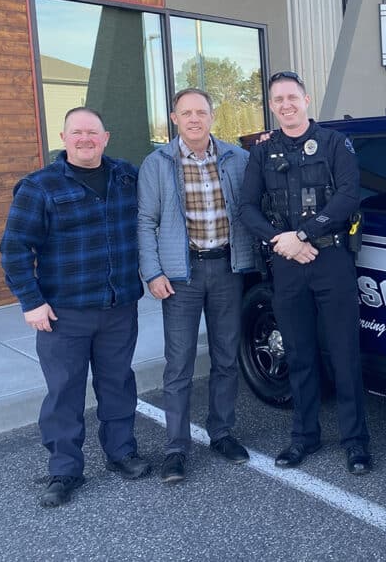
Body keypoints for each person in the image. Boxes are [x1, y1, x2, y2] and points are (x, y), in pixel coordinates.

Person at [0, 107, 150, 508]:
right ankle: (65, 469)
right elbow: (14, 249)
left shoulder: (126, 177)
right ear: (63, 138)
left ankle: (122, 452)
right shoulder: (38, 187)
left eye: (93, 133)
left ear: (106, 137)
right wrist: (31, 302)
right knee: (65, 391)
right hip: (64, 314)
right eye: (77, 133)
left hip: (119, 306)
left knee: (118, 383)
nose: (86, 139)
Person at [240, 71, 371, 474]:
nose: (285, 105)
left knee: (344, 354)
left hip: (331, 260)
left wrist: (302, 234)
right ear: (273, 105)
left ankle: (356, 442)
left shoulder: (334, 144)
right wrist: (282, 242)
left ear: (306, 99)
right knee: (298, 354)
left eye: (292, 97)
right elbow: (246, 207)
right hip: (287, 263)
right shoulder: (263, 152)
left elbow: (349, 196)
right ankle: (304, 437)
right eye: (278, 99)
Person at [138, 88, 254, 483]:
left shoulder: (237, 158)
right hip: (181, 276)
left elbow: (254, 204)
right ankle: (176, 448)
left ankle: (222, 433)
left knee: (225, 358)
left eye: (200, 112)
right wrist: (153, 272)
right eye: (185, 113)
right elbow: (145, 222)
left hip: (227, 269)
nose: (193, 119)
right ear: (174, 118)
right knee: (180, 363)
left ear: (212, 116)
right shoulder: (157, 163)